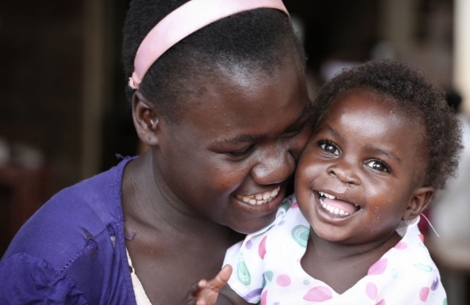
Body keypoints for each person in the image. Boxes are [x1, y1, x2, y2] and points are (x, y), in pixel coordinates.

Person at [0, 0, 313, 304]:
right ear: (148, 120)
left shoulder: (327, 216)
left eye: (294, 129)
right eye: (239, 150)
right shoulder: (61, 266)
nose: (278, 169)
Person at [190, 60, 461, 305]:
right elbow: (233, 295)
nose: (342, 172)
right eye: (329, 147)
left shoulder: (412, 280)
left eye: (377, 165)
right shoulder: (281, 226)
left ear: (414, 204)